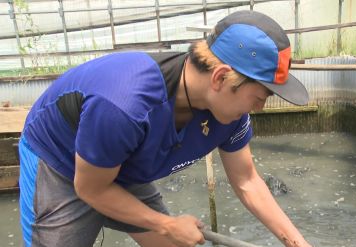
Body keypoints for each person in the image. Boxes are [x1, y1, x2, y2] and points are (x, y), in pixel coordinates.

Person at [18, 10, 311, 247]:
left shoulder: (230, 113)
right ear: (221, 78)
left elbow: (247, 181)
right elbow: (90, 188)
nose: (258, 109)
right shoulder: (125, 104)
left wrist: (297, 243)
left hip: (123, 163)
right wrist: (167, 224)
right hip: (61, 165)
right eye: (258, 99)